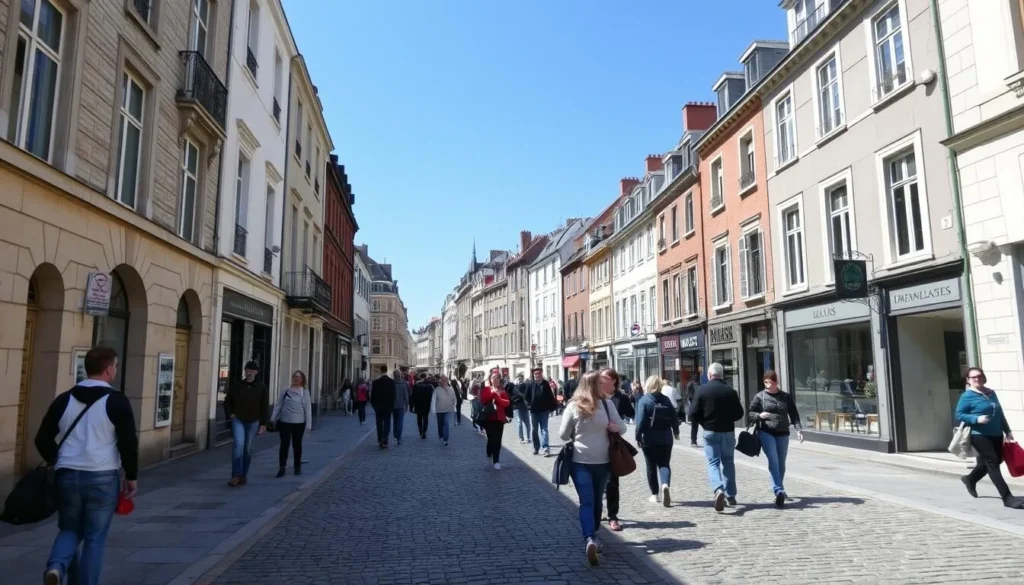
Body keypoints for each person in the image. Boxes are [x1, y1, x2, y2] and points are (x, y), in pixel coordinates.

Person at [37, 346, 138, 585]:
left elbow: (41, 438)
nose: (116, 369)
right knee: (94, 538)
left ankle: (56, 566)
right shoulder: (117, 402)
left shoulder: (64, 399)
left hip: (68, 475)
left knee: (70, 529)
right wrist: (131, 476)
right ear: (107, 369)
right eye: (115, 365)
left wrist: (57, 458)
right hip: (102, 476)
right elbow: (128, 442)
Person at [559, 370, 625, 566]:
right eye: (599, 383)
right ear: (594, 385)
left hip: (580, 462)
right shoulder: (607, 405)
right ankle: (593, 535)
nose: (603, 386)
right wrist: (612, 428)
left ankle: (589, 538)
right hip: (603, 461)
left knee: (587, 502)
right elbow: (622, 428)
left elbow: (563, 435)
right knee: (596, 501)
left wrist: (575, 430)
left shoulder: (573, 406)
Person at [956, 366, 1023, 509]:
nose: (977, 379)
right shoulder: (967, 396)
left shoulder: (991, 393)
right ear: (968, 380)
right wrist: (976, 419)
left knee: (993, 461)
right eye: (973, 377)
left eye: (979, 376)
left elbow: (999, 413)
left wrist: (1007, 430)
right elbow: (959, 414)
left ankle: (970, 478)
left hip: (996, 434)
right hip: (979, 435)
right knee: (992, 462)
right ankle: (1007, 497)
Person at [689, 362, 745, 512]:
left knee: (713, 462)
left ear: (709, 375)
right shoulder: (730, 391)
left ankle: (718, 489)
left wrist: (704, 422)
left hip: (710, 431)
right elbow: (740, 413)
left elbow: (692, 413)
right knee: (728, 462)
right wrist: (727, 418)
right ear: (722, 375)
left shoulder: (702, 390)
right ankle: (731, 495)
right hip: (727, 431)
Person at [747, 370, 803, 507]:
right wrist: (759, 416)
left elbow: (793, 413)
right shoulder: (760, 396)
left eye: (770, 382)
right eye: (765, 382)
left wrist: (799, 429)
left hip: (783, 432)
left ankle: (780, 489)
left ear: (776, 382)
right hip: (766, 431)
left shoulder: (785, 396)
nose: (768, 385)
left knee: (781, 463)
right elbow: (750, 413)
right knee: (773, 459)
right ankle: (778, 490)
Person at [636, 375, 679, 507]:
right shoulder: (666, 399)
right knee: (664, 464)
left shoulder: (644, 400)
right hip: (666, 438)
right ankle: (665, 484)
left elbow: (641, 421)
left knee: (651, 465)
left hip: (649, 439)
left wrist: (638, 436)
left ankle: (655, 495)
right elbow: (674, 417)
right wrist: (676, 432)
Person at [224, 360, 269, 486]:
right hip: (238, 419)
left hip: (254, 421)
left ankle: (243, 475)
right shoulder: (237, 386)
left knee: (248, 449)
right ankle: (236, 475)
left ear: (256, 372)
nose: (248, 373)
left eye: (251, 370)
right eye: (247, 370)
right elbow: (227, 401)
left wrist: (263, 424)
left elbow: (264, 407)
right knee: (238, 445)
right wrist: (231, 414)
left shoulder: (261, 387)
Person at [600, 367, 634, 532]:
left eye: (604, 378)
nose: (601, 380)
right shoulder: (595, 397)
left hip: (613, 443)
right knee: (597, 482)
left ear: (613, 380)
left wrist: (618, 426)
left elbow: (631, 413)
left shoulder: (621, 398)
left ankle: (613, 516)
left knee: (612, 482)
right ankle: (597, 510)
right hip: (595, 444)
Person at [271, 370, 313, 477]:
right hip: (284, 422)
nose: (295, 378)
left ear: (302, 380)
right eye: (294, 376)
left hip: (299, 423)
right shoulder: (285, 390)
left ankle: (297, 466)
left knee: (297, 445)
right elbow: (278, 405)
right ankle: (282, 467)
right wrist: (273, 418)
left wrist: (309, 425)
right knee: (284, 444)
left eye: (298, 377)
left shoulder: (305, 392)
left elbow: (308, 409)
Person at [480, 373, 511, 469]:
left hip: (499, 418)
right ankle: (489, 452)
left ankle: (496, 460)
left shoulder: (502, 391)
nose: (495, 379)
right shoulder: (486, 389)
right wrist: (493, 394)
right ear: (490, 379)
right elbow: (483, 400)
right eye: (493, 378)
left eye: (497, 378)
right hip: (489, 417)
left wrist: (497, 397)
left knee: (497, 439)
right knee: (490, 438)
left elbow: (507, 403)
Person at [526, 368, 557, 456]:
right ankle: (536, 447)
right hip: (534, 411)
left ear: (541, 374)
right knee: (534, 430)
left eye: (538, 373)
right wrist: (528, 406)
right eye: (535, 374)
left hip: (544, 410)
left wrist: (552, 407)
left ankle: (545, 448)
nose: (537, 375)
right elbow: (526, 397)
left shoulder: (545, 384)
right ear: (533, 375)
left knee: (544, 429)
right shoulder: (530, 384)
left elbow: (550, 396)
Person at [370, 365, 396, 449]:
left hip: (379, 406)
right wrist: (392, 406)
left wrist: (374, 406)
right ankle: (385, 439)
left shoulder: (376, 382)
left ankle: (380, 440)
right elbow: (393, 395)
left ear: (381, 371)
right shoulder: (391, 382)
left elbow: (372, 396)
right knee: (387, 423)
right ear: (387, 370)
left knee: (379, 423)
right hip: (388, 406)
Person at [431, 375, 458, 446]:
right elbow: (433, 400)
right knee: (440, 424)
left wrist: (454, 404)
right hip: (439, 410)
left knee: (446, 423)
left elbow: (454, 398)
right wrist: (433, 410)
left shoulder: (451, 389)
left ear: (447, 381)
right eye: (442, 380)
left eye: (445, 380)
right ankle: (441, 435)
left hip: (448, 409)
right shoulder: (437, 389)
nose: (443, 382)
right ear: (440, 381)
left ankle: (445, 439)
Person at [411, 373, 434, 439]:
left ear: (420, 377)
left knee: (419, 418)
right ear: (426, 377)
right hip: (426, 404)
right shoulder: (429, 385)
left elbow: (413, 396)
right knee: (426, 418)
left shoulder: (416, 385)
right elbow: (431, 396)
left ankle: (420, 431)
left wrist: (412, 405)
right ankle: (424, 432)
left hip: (418, 404)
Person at [392, 369, 411, 445]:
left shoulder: (392, 384)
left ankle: (395, 435)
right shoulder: (404, 384)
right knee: (400, 421)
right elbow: (406, 396)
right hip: (401, 406)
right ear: (400, 376)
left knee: (395, 421)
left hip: (393, 405)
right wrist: (407, 405)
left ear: (394, 376)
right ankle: (398, 437)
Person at [511, 373, 531, 444]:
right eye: (518, 378)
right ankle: (521, 437)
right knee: (519, 423)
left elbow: (527, 395)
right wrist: (520, 395)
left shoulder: (525, 386)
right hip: (517, 407)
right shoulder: (514, 387)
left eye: (521, 378)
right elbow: (512, 397)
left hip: (525, 407)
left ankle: (528, 437)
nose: (520, 380)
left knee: (527, 423)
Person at [684, 372, 700, 447]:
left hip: (694, 407)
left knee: (694, 425)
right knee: (695, 425)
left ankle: (693, 440)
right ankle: (694, 440)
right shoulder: (697, 385)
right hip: (697, 407)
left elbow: (688, 396)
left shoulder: (691, 385)